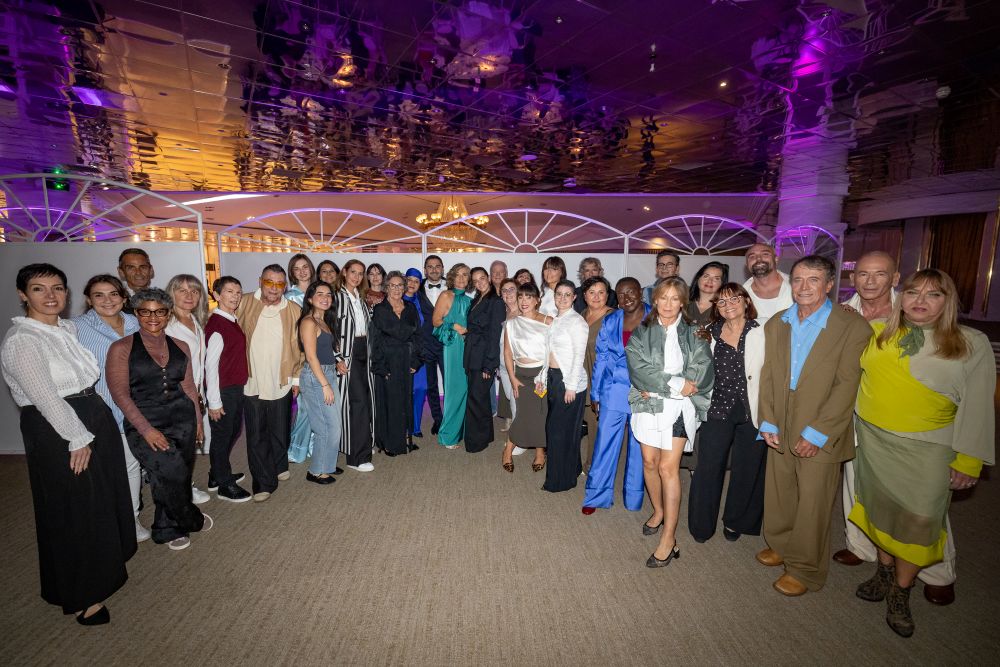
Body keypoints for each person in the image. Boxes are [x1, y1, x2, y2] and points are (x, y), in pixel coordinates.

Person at [849, 269, 995, 637]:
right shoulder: (878, 331)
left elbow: (978, 406)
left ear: (948, 301)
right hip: (874, 440)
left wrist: (968, 460)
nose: (920, 301)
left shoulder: (970, 342)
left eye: (933, 295)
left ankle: (901, 590)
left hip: (929, 448)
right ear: (902, 297)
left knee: (920, 521)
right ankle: (884, 572)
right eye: (914, 293)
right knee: (879, 510)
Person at [2, 264, 136, 625]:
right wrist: (77, 438)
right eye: (39, 288)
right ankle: (82, 596)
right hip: (57, 427)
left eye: (57, 288)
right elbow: (45, 397)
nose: (50, 296)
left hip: (92, 412)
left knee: (100, 499)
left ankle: (103, 569)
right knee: (72, 509)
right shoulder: (22, 340)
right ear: (23, 294)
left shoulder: (66, 330)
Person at [755, 255, 872, 596]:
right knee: (780, 489)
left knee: (813, 499)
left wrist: (818, 432)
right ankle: (781, 544)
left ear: (830, 284)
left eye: (814, 279)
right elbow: (768, 374)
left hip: (821, 418)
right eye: (798, 279)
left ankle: (805, 568)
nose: (804, 287)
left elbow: (847, 386)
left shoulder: (852, 327)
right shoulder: (778, 323)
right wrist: (768, 419)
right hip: (781, 414)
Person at [107, 288, 212, 552]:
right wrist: (146, 430)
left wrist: (198, 422)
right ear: (136, 313)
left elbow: (189, 388)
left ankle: (165, 527)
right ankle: (190, 518)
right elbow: (120, 394)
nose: (153, 317)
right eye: (146, 311)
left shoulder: (180, 345)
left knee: (176, 475)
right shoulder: (121, 348)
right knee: (170, 473)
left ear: (168, 314)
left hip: (183, 421)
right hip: (146, 423)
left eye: (159, 312)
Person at [626, 277, 714, 568]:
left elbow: (701, 373)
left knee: (667, 468)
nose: (668, 304)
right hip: (648, 406)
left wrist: (665, 387)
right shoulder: (642, 331)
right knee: (649, 463)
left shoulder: (695, 332)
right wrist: (675, 383)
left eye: (675, 298)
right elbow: (638, 370)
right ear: (655, 299)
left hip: (679, 409)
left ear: (683, 302)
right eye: (663, 297)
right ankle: (659, 510)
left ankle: (669, 537)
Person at [834, 252, 903, 568]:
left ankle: (936, 571)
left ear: (895, 278)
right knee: (854, 477)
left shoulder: (913, 312)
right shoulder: (842, 312)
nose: (870, 281)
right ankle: (859, 545)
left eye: (880, 274)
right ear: (853, 278)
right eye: (863, 274)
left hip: (899, 411)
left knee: (912, 492)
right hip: (853, 407)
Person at [687, 283, 766, 543]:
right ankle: (701, 525)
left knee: (748, 468)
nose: (728, 305)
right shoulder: (708, 332)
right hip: (717, 408)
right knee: (708, 467)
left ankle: (736, 521)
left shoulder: (763, 331)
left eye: (734, 299)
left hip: (752, 408)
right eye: (721, 302)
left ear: (746, 301)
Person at [73, 275, 148, 541]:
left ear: (124, 297)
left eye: (113, 294)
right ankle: (101, 522)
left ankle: (131, 519)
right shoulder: (75, 328)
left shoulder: (136, 323)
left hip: (134, 408)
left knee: (131, 466)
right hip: (98, 410)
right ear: (88, 299)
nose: (107, 300)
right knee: (99, 470)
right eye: (99, 295)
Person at [237, 264, 304, 500]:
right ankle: (263, 483)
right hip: (251, 380)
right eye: (269, 282)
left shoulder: (293, 310)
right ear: (260, 281)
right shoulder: (244, 303)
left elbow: (300, 347)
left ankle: (279, 463)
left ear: (285, 286)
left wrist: (296, 378)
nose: (273, 288)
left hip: (282, 380)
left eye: (279, 284)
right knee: (256, 433)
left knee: (281, 430)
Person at [582, 278, 649, 515]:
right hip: (613, 390)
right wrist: (596, 393)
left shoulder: (656, 317)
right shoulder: (611, 320)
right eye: (621, 294)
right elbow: (602, 358)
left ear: (640, 292)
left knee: (639, 447)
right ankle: (596, 495)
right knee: (604, 444)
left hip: (645, 392)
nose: (626, 298)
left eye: (631, 292)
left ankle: (633, 496)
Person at [536, 279, 589, 491]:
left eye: (568, 294)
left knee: (558, 431)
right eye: (559, 294)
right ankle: (572, 468)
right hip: (553, 378)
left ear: (574, 297)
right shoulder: (556, 320)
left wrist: (571, 386)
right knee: (561, 429)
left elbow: (578, 356)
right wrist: (542, 378)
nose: (563, 298)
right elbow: (548, 352)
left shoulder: (577, 322)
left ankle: (559, 481)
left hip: (568, 382)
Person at [164, 274, 212, 505]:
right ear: (171, 293)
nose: (189, 295)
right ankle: (179, 494)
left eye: (194, 291)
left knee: (186, 445)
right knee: (177, 447)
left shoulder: (195, 321)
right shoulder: (167, 325)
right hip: (175, 395)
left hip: (194, 392)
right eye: (182, 290)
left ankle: (184, 487)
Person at [204, 276, 252, 502]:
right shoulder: (217, 325)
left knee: (233, 432)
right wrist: (214, 402)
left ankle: (216, 474)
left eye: (238, 292)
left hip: (234, 388)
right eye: (230, 291)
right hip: (223, 391)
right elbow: (210, 366)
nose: (235, 296)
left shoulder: (231, 320)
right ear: (217, 295)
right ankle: (224, 485)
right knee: (223, 436)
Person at [371, 271, 423, 456]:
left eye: (400, 285)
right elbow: (375, 339)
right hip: (388, 362)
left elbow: (418, 335)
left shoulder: (410, 307)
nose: (396, 289)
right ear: (386, 287)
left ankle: (404, 440)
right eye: (392, 285)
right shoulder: (380, 309)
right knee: (389, 403)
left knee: (405, 401)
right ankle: (389, 443)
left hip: (407, 360)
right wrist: (380, 367)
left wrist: (416, 361)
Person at [501, 282, 551, 472]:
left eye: (528, 297)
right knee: (521, 415)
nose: (524, 301)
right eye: (521, 296)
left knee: (541, 415)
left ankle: (540, 452)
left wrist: (545, 376)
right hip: (521, 374)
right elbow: (507, 353)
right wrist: (512, 378)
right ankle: (508, 450)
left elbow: (555, 351)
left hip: (542, 375)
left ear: (537, 300)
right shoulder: (512, 323)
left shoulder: (548, 321)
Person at [296, 280, 342, 484]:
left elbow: (327, 350)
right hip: (316, 377)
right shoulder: (308, 322)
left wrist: (338, 362)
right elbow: (311, 357)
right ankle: (316, 471)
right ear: (310, 299)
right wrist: (325, 385)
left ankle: (326, 464)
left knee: (334, 424)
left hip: (329, 373)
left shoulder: (324, 321)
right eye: (320, 294)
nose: (325, 298)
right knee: (326, 426)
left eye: (328, 294)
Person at [332, 260, 376, 471]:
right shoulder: (336, 297)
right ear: (344, 272)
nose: (357, 277)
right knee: (356, 403)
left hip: (364, 352)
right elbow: (328, 328)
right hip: (348, 356)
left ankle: (364, 445)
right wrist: (337, 357)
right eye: (353, 272)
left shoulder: (362, 298)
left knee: (366, 400)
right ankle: (356, 458)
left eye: (360, 273)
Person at [463, 267, 506, 453]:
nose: (479, 282)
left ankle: (476, 442)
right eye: (475, 280)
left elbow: (495, 335)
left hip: (483, 359)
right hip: (472, 355)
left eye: (482, 278)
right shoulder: (477, 299)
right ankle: (486, 435)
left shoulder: (496, 301)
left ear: (488, 278)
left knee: (476, 399)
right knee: (480, 399)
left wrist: (489, 364)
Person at [578, 276, 615, 472]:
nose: (596, 296)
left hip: (602, 382)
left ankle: (593, 466)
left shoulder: (614, 317)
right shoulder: (582, 315)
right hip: (581, 380)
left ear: (607, 295)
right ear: (584, 295)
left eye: (601, 292)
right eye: (591, 292)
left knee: (597, 426)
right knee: (588, 422)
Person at [433, 263, 472, 449]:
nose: (462, 278)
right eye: (458, 274)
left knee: (465, 390)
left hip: (468, 347)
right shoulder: (446, 295)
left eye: (465, 274)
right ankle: (447, 435)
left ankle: (459, 431)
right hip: (453, 347)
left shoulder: (471, 300)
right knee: (454, 391)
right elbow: (435, 321)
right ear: (452, 277)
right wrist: (454, 326)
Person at [285, 253, 318, 465]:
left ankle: (314, 446)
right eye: (297, 268)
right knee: (305, 406)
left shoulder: (320, 292)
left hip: (321, 353)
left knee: (318, 405)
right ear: (292, 272)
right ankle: (296, 448)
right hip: (301, 356)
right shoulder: (289, 297)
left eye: (305, 267)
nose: (302, 271)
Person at [416, 255, 447, 436]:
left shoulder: (452, 287)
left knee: (449, 384)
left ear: (442, 268)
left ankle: (450, 418)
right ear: (425, 270)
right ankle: (438, 418)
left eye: (437, 266)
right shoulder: (416, 288)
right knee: (431, 384)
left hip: (447, 344)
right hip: (425, 344)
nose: (434, 270)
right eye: (430, 266)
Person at [403, 268, 427, 442]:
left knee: (420, 388)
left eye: (416, 281)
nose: (412, 284)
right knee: (405, 390)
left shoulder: (422, 300)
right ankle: (404, 426)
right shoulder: (396, 299)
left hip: (419, 352)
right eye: (409, 280)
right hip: (402, 352)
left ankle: (416, 426)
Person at [743, 243, 792, 323]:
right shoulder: (741, 296)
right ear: (747, 264)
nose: (758, 259)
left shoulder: (797, 287)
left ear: (776, 259)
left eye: (765, 254)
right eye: (752, 256)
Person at [496, 278, 520, 433]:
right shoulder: (503, 312)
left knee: (516, 400)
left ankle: (517, 438)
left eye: (512, 289)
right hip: (503, 365)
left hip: (516, 365)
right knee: (511, 398)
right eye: (504, 290)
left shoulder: (524, 312)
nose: (508, 293)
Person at [685, 261, 728, 327]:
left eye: (716, 278)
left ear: (722, 283)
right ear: (698, 278)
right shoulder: (683, 301)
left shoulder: (725, 308)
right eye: (706, 276)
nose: (710, 281)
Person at [117, 248, 154, 314]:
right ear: (121, 272)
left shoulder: (162, 299)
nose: (138, 272)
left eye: (143, 267)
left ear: (151, 270)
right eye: (131, 268)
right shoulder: (114, 302)